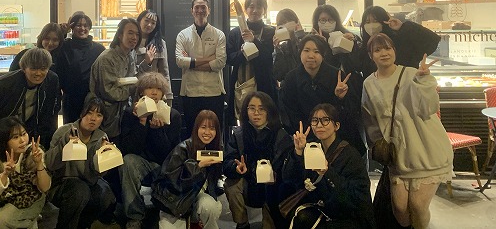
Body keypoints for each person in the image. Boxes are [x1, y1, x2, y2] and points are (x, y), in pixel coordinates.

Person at [361, 33, 452, 229]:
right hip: (399, 156)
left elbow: (429, 108)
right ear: (370, 55)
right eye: (378, 50)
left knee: (418, 206)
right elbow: (369, 118)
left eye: (388, 48)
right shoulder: (368, 83)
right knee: (400, 209)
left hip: (425, 148)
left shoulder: (411, 73)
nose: (384, 53)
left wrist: (425, 81)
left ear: (395, 51)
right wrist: (379, 145)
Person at [282, 104, 375, 229]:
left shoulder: (350, 155)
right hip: (324, 210)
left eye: (325, 120)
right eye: (315, 120)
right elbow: (289, 178)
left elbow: (355, 199)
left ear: (337, 126)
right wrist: (298, 151)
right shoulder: (311, 149)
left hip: (349, 216)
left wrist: (328, 172)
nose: (319, 125)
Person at [279, 35, 366, 157]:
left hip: (338, 136)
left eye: (316, 51)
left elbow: (352, 111)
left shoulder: (337, 76)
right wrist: (308, 132)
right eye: (306, 50)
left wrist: (340, 98)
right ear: (300, 53)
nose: (311, 55)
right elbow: (289, 112)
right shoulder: (291, 78)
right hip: (306, 136)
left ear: (323, 55)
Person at [118, 72, 182, 229]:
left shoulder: (172, 115)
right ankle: (134, 216)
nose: (154, 92)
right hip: (140, 163)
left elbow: (170, 154)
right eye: (150, 88)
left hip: (164, 166)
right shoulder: (130, 113)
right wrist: (141, 122)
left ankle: (166, 211)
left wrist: (157, 131)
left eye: (158, 89)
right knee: (127, 161)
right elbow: (128, 149)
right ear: (141, 92)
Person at [223, 91, 293, 229]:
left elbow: (288, 169)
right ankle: (242, 223)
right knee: (231, 185)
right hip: (248, 181)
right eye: (252, 108)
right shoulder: (238, 134)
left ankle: (270, 223)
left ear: (269, 111)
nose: (256, 113)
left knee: (277, 188)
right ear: (246, 111)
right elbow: (227, 162)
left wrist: (274, 175)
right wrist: (236, 167)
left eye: (262, 109)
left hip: (271, 185)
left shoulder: (281, 135)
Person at [45, 97, 117, 229]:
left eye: (99, 115)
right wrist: (65, 144)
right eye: (89, 113)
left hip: (88, 181)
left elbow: (99, 173)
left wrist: (103, 156)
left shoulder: (101, 137)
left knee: (106, 194)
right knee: (80, 191)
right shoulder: (64, 131)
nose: (93, 118)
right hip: (61, 182)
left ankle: (83, 224)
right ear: (82, 114)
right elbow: (49, 164)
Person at [151, 110, 223, 229]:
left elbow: (213, 183)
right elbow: (173, 182)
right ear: (196, 128)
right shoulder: (182, 149)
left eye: (212, 128)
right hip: (174, 201)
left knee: (210, 206)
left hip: (196, 198)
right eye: (203, 127)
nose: (207, 132)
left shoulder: (215, 150)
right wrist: (198, 167)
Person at [176, 0, 227, 133]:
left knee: (214, 132)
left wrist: (191, 62)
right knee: (192, 132)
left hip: (214, 92)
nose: (200, 10)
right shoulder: (183, 35)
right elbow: (180, 61)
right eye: (196, 7)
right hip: (190, 93)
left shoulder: (219, 35)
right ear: (192, 11)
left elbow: (220, 62)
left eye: (203, 7)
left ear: (208, 10)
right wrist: (209, 59)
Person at [354, 5, 441, 79]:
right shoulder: (365, 48)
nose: (371, 25)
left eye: (375, 21)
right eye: (367, 22)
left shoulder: (402, 41)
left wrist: (403, 26)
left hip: (405, 90)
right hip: (375, 93)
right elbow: (357, 67)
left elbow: (432, 40)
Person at [227, 0, 276, 122]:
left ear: (264, 10)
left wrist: (254, 40)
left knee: (264, 118)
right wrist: (244, 51)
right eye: (251, 7)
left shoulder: (271, 31)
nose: (255, 10)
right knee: (242, 118)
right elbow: (230, 59)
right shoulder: (235, 33)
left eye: (259, 7)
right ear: (246, 9)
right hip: (240, 83)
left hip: (263, 83)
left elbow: (268, 58)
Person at [90, 18, 141, 140]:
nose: (134, 37)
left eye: (137, 34)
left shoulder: (130, 55)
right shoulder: (107, 58)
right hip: (106, 115)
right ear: (120, 35)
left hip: (123, 113)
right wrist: (133, 88)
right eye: (130, 33)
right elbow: (109, 92)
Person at [56, 12, 105, 123]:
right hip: (70, 98)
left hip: (91, 98)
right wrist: (62, 32)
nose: (82, 28)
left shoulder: (99, 49)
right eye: (78, 25)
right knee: (71, 128)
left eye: (85, 25)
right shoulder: (65, 46)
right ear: (72, 27)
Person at [311, 4, 360, 76]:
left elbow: (356, 65)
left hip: (347, 78)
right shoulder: (311, 41)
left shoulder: (347, 36)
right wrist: (323, 45)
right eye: (323, 20)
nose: (327, 23)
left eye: (330, 19)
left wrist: (351, 43)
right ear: (317, 21)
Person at [135, 9, 173, 103]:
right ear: (139, 20)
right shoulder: (133, 41)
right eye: (146, 21)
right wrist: (146, 62)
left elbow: (164, 72)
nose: (149, 25)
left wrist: (168, 95)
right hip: (135, 91)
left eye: (153, 23)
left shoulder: (159, 43)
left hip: (155, 92)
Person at [272, 8, 306, 84]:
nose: (286, 24)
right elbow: (279, 75)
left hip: (305, 84)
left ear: (296, 22)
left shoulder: (306, 40)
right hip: (289, 86)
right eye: (282, 23)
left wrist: (300, 36)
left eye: (289, 20)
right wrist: (277, 49)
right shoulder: (283, 47)